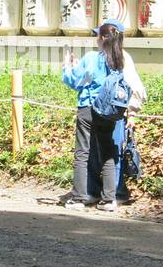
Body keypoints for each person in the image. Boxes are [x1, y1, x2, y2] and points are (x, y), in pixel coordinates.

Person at [61, 20, 144, 213]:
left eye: (97, 35)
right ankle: (109, 199)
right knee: (109, 154)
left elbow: (75, 81)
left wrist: (68, 66)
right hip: (109, 112)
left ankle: (79, 198)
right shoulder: (120, 60)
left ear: (102, 38)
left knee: (82, 154)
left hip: (88, 109)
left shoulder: (92, 58)